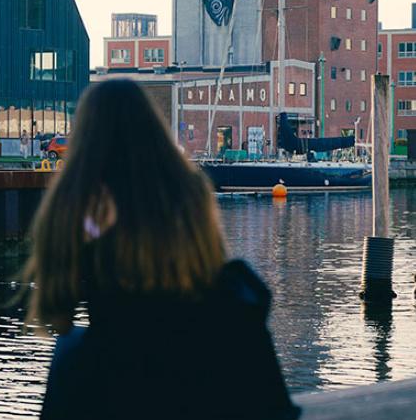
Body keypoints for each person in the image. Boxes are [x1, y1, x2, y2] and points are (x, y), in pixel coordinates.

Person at [23, 79, 300, 420]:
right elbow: (211, 265)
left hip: (122, 370)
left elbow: (57, 310)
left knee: (70, 351)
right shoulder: (190, 190)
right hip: (202, 359)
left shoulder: (78, 201)